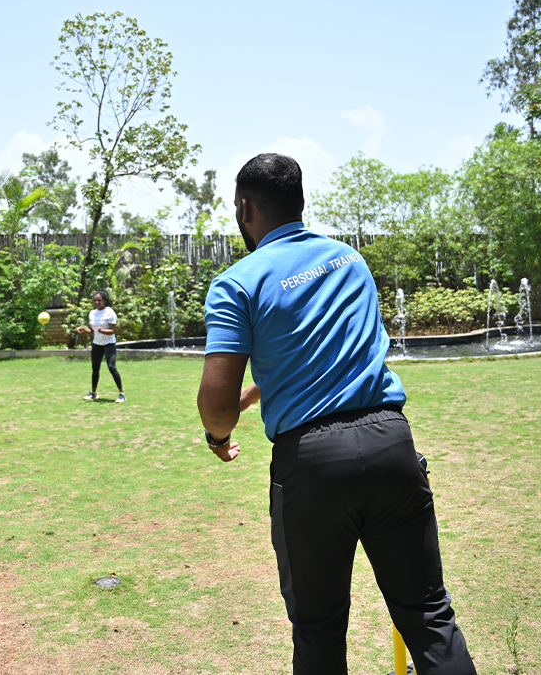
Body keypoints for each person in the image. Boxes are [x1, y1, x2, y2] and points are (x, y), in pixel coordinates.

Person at [197, 154, 475, 675]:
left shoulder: (237, 282)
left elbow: (216, 407)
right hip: (392, 445)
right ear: (300, 201)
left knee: (319, 628)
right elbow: (324, 352)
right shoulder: (348, 260)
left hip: (314, 465)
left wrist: (217, 437)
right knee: (428, 614)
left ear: (245, 208)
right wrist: (258, 392)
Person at [76, 290, 126, 403]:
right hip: (97, 344)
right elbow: (91, 331)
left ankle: (122, 394)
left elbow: (112, 330)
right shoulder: (92, 313)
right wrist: (83, 329)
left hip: (109, 344)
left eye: (99, 300)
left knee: (111, 367)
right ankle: (93, 393)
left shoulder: (110, 312)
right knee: (95, 368)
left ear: (105, 301)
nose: (97, 302)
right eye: (95, 300)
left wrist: (102, 330)